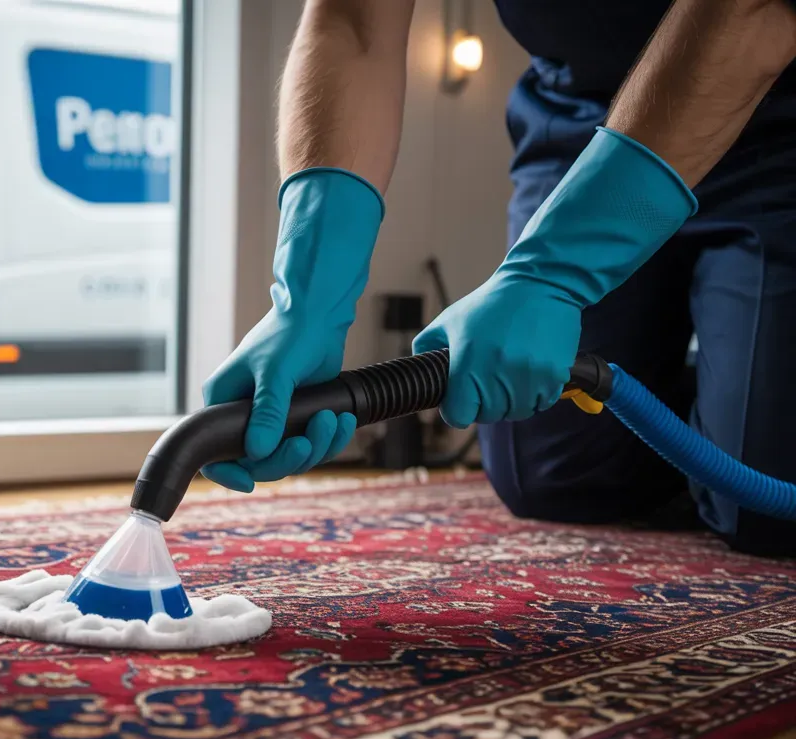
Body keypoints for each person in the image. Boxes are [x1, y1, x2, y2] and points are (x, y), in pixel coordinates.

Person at [201, 0, 796, 556]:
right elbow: (354, 24)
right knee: (552, 478)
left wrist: (550, 273)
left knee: (758, 505)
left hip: (778, 133)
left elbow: (753, 11)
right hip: (583, 125)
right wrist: (307, 298)